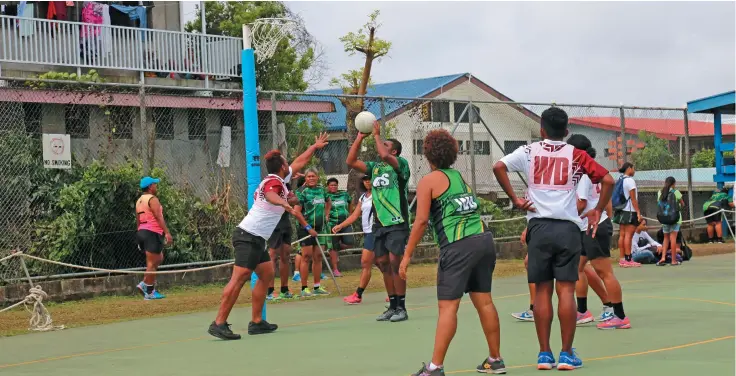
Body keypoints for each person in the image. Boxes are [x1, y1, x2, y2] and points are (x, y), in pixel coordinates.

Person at [493, 107, 614, 370]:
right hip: (568, 229)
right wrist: (597, 209)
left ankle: (544, 354)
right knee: (566, 290)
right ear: (567, 132)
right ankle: (567, 354)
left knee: (542, 291)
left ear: (542, 130)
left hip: (538, 228)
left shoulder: (529, 151)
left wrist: (515, 199)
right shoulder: (577, 154)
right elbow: (607, 179)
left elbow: (498, 166)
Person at [401, 129, 505, 375]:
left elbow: (421, 221)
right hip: (483, 240)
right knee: (485, 302)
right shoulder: (459, 177)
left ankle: (435, 368)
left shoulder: (429, 181)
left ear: (427, 155)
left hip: (458, 246)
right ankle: (495, 359)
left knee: (448, 308)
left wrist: (406, 256)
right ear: (453, 153)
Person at [207, 133, 328, 341]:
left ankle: (256, 322)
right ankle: (218, 323)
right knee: (239, 278)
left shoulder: (281, 178)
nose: (291, 165)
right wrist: (283, 203)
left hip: (257, 238)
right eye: (287, 163)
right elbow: (272, 195)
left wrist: (315, 146)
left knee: (266, 274)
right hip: (248, 235)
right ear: (282, 167)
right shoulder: (273, 182)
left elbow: (301, 161)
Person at [346, 120, 411, 322]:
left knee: (394, 261)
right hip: (379, 223)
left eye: (387, 145)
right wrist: (359, 136)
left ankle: (402, 307)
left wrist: (375, 135)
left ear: (396, 152)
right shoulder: (374, 167)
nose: (383, 147)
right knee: (382, 263)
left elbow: (383, 154)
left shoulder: (400, 165)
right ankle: (392, 306)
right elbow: (351, 161)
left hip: (397, 221)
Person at [567, 134, 629, 329]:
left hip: (594, 226)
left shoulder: (584, 173)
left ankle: (619, 316)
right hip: (588, 227)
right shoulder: (589, 170)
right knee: (577, 268)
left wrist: (564, 215)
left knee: (605, 272)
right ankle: (583, 311)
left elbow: (582, 203)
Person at [334, 175, 375, 305]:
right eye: (365, 179)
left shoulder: (379, 195)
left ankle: (358, 294)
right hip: (368, 233)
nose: (368, 181)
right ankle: (394, 293)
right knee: (381, 264)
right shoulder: (363, 197)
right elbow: (355, 215)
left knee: (365, 262)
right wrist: (340, 226)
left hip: (376, 232)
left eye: (370, 178)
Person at [294, 168, 332, 297]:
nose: (311, 178)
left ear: (317, 177)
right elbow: (296, 212)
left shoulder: (322, 190)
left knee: (318, 257)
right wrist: (308, 227)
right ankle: (304, 288)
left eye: (313, 176)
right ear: (305, 178)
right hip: (306, 229)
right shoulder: (301, 192)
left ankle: (317, 286)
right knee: (306, 257)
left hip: (320, 228)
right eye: (308, 176)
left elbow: (328, 202)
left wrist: (326, 215)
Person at [135, 176, 173, 300]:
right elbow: (158, 216)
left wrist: (140, 234)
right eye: (155, 184)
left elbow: (138, 220)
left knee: (159, 258)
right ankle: (149, 290)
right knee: (151, 263)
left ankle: (145, 284)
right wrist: (167, 233)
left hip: (143, 232)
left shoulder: (140, 200)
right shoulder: (153, 199)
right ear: (150, 187)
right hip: (152, 232)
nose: (156, 186)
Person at [612, 162, 641, 268]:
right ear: (629, 168)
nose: (634, 171)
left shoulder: (621, 179)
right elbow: (633, 199)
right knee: (628, 235)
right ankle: (628, 259)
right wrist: (638, 212)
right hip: (630, 211)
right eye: (634, 168)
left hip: (621, 210)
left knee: (622, 235)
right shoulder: (630, 181)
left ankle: (622, 259)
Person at [326, 177, 355, 277]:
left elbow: (351, 202)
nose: (333, 187)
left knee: (350, 242)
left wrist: (350, 214)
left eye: (335, 185)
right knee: (333, 248)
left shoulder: (344, 194)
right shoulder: (326, 196)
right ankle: (335, 270)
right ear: (328, 186)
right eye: (331, 185)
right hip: (332, 224)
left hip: (345, 223)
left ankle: (335, 248)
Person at [657, 177, 685, 266]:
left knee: (666, 238)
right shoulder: (676, 192)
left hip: (664, 218)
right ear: (673, 184)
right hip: (675, 218)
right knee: (673, 238)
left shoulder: (660, 192)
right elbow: (682, 203)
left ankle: (663, 258)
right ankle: (673, 260)